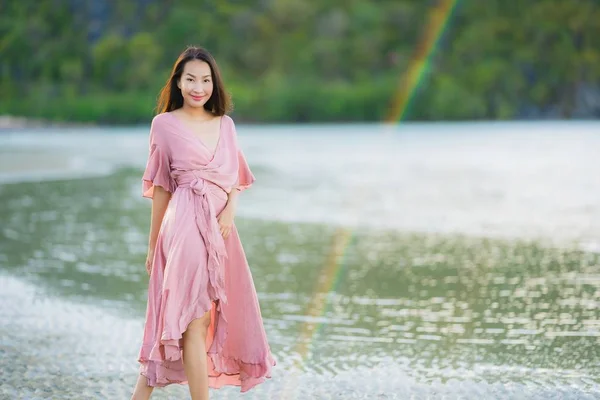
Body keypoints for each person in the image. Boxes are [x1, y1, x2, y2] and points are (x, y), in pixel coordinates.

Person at [131, 46, 275, 400]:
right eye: (191, 79)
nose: (199, 87)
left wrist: (229, 211)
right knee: (193, 321)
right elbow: (162, 188)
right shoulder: (163, 125)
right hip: (183, 226)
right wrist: (153, 246)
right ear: (178, 83)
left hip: (222, 231)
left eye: (206, 80)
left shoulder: (225, 125)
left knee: (202, 320)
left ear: (215, 83)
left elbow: (235, 180)